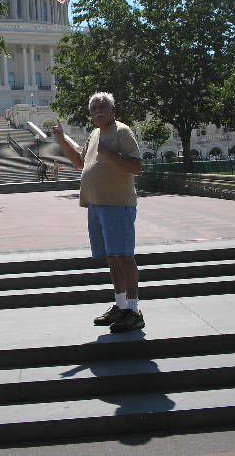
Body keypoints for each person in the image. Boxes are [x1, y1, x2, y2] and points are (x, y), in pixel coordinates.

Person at [52, 92, 144, 333]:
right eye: (93, 108)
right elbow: (81, 164)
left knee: (124, 257)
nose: (98, 111)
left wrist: (111, 155)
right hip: (96, 204)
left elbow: (137, 167)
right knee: (112, 257)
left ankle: (133, 311)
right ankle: (120, 305)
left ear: (113, 110)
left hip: (117, 204)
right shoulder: (94, 135)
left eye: (103, 106)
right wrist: (61, 140)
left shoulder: (122, 131)